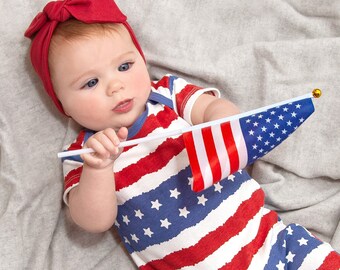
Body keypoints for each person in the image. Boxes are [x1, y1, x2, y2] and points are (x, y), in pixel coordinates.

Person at [25, 0, 340, 269]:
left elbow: (215, 110)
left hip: (268, 239)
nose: (115, 86)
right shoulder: (85, 154)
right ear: (62, 103)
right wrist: (98, 169)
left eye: (124, 66)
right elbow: (94, 221)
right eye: (90, 83)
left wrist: (221, 123)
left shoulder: (167, 95)